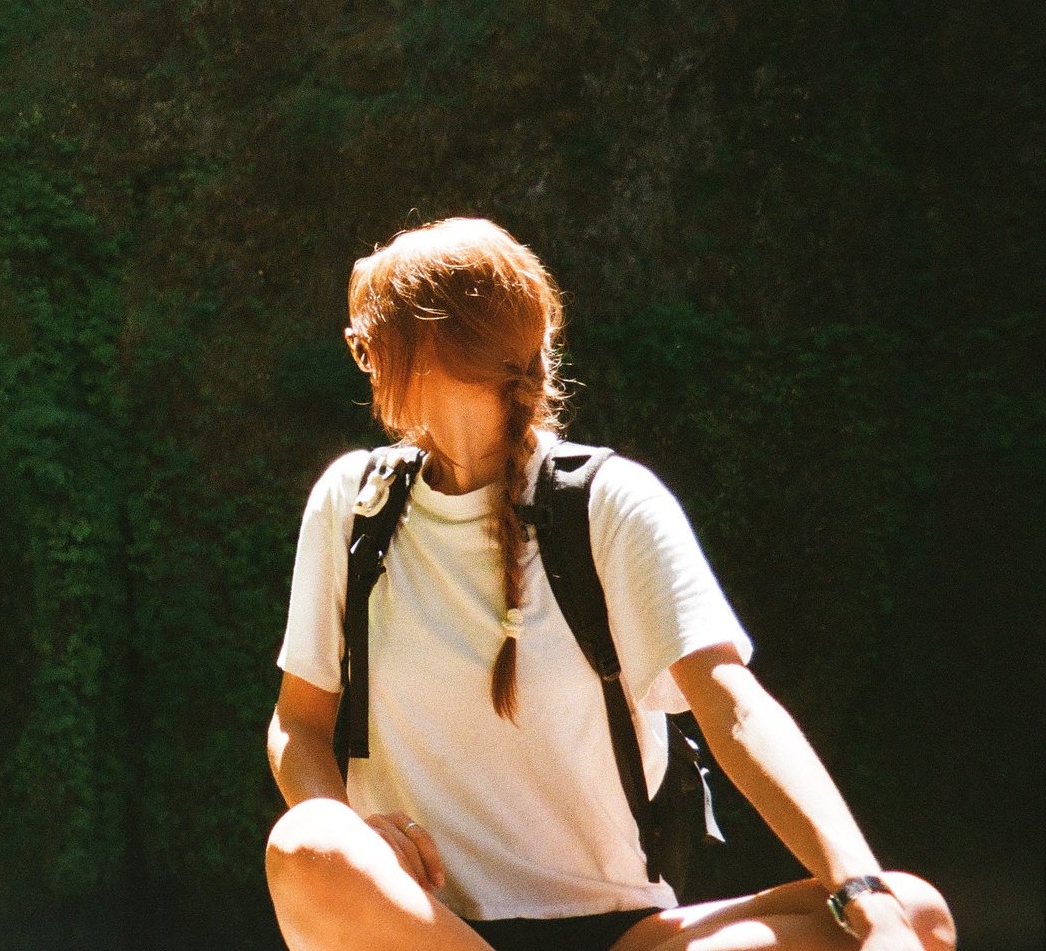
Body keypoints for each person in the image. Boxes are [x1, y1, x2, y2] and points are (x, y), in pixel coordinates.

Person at [263, 217, 953, 951]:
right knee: (310, 841)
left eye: (369, 344)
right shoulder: (355, 505)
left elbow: (735, 707)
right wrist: (357, 832)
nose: (362, 365)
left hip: (624, 935)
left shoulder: (610, 503)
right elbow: (297, 725)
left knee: (915, 911)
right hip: (430, 929)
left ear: (433, 349)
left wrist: (860, 892)